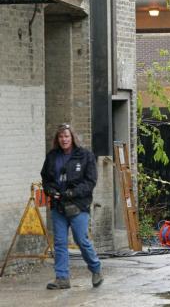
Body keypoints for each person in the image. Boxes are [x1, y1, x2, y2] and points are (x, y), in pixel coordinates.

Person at [41, 123, 103, 290]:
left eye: (67, 136)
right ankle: (62, 278)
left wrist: (73, 193)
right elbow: (45, 178)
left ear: (72, 137)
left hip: (78, 205)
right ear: (57, 139)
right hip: (58, 206)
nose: (64, 139)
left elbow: (90, 182)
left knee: (81, 240)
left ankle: (96, 269)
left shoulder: (85, 156)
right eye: (61, 136)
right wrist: (50, 190)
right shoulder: (52, 156)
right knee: (60, 242)